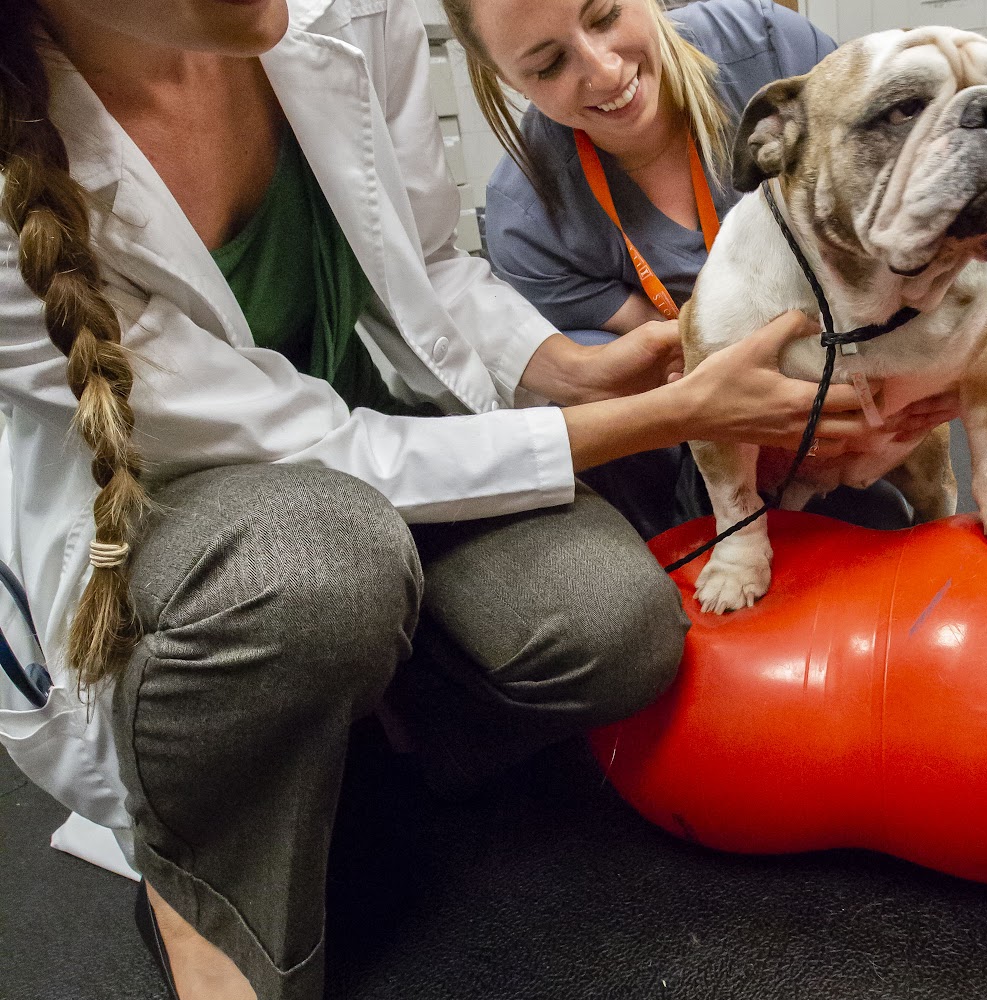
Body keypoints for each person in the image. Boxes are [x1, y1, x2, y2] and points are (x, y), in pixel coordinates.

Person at [0, 0, 891, 997]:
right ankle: (201, 871)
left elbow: (426, 265)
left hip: (385, 438)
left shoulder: (337, 14)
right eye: (550, 60)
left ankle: (346, 741)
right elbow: (325, 453)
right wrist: (665, 415)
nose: (597, 72)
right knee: (321, 567)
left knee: (614, 627)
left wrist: (572, 370)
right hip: (189, 517)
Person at [448, 0, 959, 538]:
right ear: (504, 77)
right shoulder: (527, 216)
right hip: (694, 402)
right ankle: (679, 527)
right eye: (548, 64)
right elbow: (671, 346)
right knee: (590, 360)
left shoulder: (771, 50)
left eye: (604, 16)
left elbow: (895, 200)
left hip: (855, 346)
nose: (604, 71)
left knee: (877, 523)